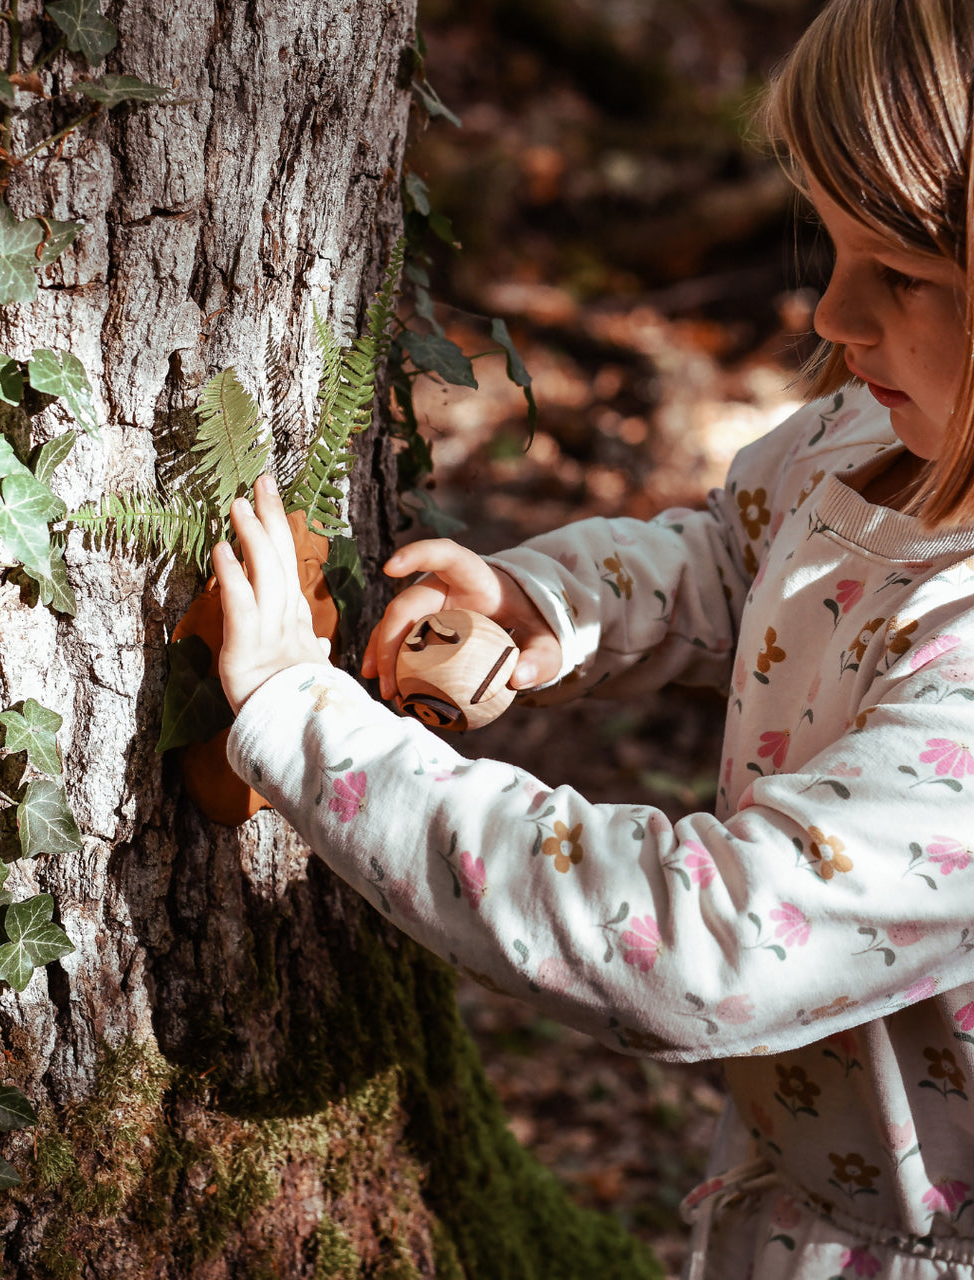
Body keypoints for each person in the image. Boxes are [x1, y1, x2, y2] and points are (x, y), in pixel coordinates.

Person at [209, 0, 974, 1275]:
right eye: (829, 248)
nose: (834, 315)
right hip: (786, 1201)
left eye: (897, 273)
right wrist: (552, 605)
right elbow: (736, 558)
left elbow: (696, 938)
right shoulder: (877, 431)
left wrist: (309, 726)